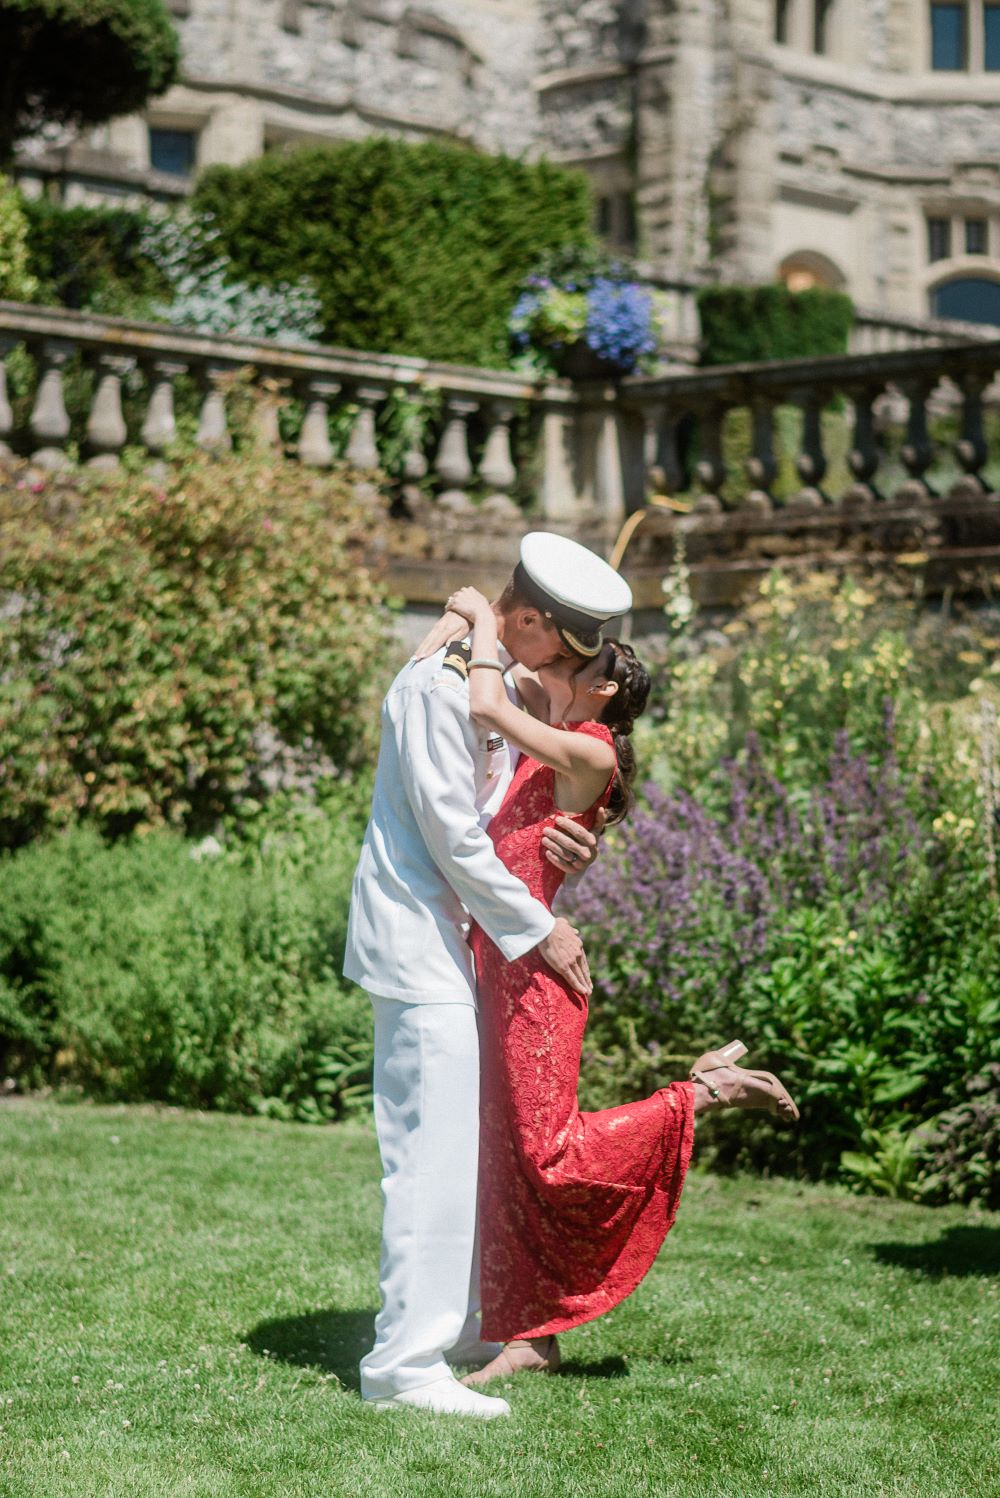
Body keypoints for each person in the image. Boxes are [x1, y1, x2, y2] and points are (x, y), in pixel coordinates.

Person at [436, 585, 798, 1388]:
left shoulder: (589, 747)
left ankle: (698, 1095)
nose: (562, 653)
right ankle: (530, 1335)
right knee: (508, 1159)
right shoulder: (561, 736)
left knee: (549, 1152)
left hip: (537, 976)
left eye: (584, 655)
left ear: (600, 688)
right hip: (496, 964)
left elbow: (490, 702)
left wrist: (483, 618)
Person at [343, 532, 634, 1419]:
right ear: (538, 623)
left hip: (455, 945)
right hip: (417, 940)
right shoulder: (437, 687)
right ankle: (404, 1367)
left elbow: (498, 816)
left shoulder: (484, 680)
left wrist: (559, 856)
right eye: (567, 654)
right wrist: (540, 926)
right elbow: (451, 833)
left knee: (456, 1150)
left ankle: (457, 1322)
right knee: (426, 1159)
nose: (564, 676)